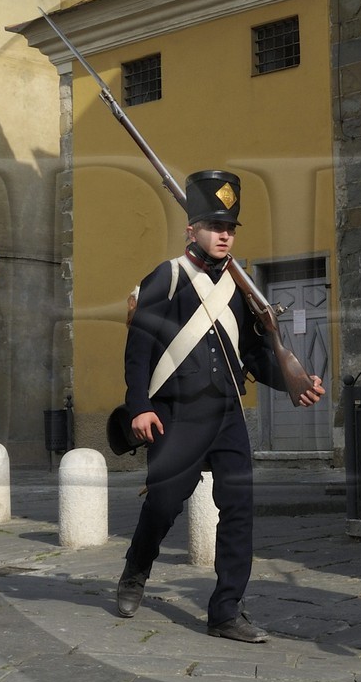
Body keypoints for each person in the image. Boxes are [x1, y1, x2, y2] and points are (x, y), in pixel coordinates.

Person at [113, 171, 325, 642]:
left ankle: (226, 610)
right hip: (176, 413)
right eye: (213, 225)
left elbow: (251, 355)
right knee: (164, 504)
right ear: (192, 229)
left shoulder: (241, 287)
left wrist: (293, 383)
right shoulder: (166, 278)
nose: (224, 234)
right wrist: (139, 407)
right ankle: (135, 571)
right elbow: (139, 351)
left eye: (230, 227)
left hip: (228, 412)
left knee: (240, 509)